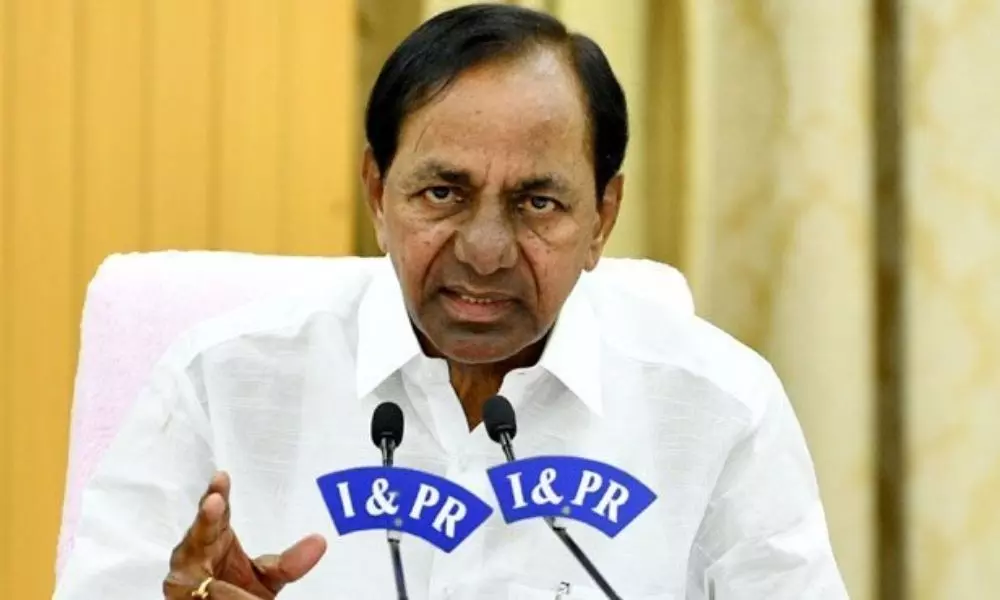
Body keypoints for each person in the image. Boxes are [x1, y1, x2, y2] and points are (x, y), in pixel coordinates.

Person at [54, 4, 848, 599]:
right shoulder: (219, 381)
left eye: (538, 203)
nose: (484, 250)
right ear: (377, 192)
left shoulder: (719, 408)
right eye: (443, 193)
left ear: (603, 217)